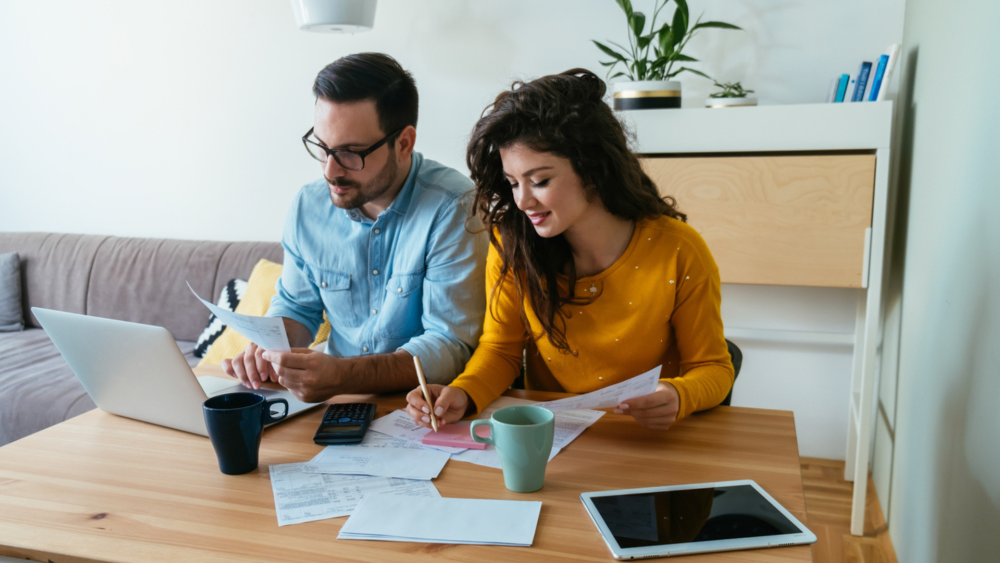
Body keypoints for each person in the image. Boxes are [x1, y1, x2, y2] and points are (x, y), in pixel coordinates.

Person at [405, 69, 734, 431]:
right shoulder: (512, 244)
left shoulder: (679, 249)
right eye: (513, 183)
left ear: (592, 169)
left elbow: (714, 369)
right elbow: (501, 350)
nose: (523, 200)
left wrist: (679, 394)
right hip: (554, 440)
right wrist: (463, 392)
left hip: (652, 442)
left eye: (540, 180)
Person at [224, 53, 487, 403]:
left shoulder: (454, 207)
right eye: (322, 147)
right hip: (333, 401)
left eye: (351, 153)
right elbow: (297, 307)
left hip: (423, 406)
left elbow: (450, 342)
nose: (330, 171)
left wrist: (344, 376)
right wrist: (269, 350)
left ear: (404, 143)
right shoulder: (308, 206)